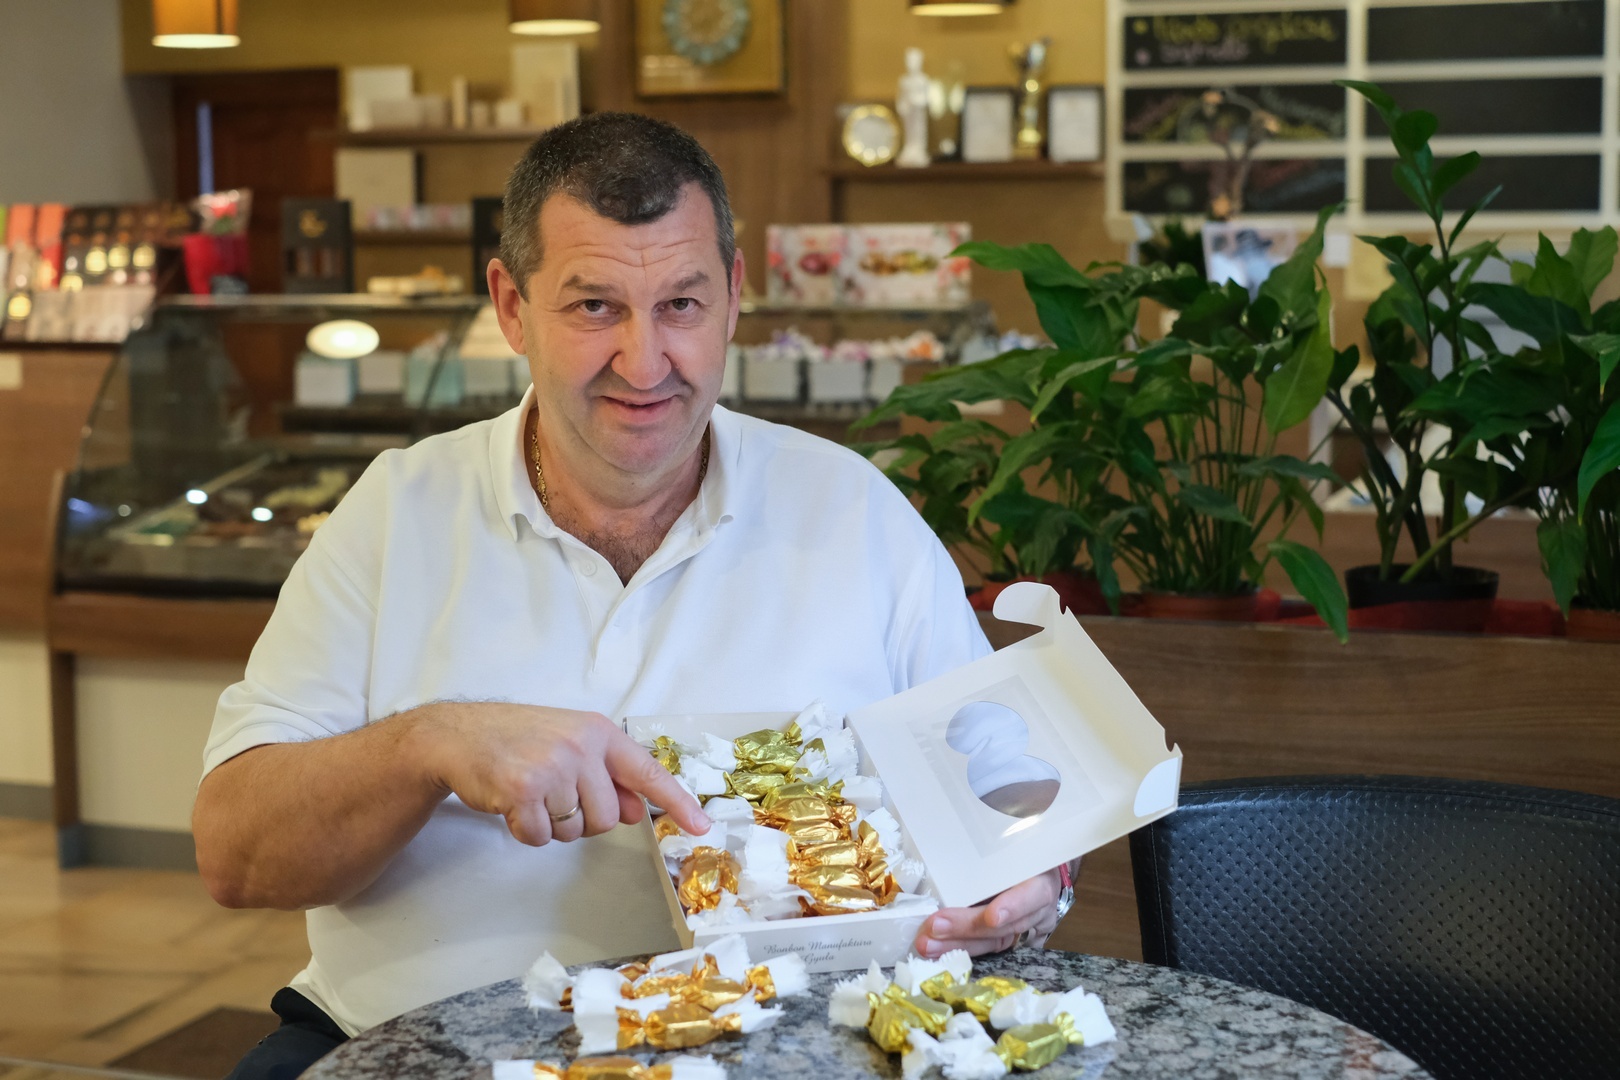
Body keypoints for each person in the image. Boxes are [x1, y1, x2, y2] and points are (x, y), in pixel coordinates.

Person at [195, 112, 1071, 1080]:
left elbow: (1013, 788)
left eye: (681, 305)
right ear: (511, 306)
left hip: (781, 1053)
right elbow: (235, 852)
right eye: (595, 307)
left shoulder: (853, 511)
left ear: (733, 297)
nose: (645, 363)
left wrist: (1033, 877)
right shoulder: (396, 513)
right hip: (413, 1048)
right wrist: (430, 744)